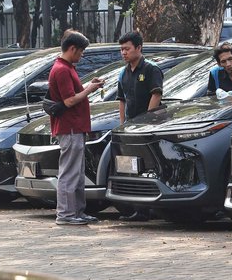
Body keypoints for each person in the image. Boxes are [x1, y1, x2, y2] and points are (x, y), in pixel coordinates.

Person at [48, 30, 105, 226]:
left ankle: (77, 211)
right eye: (81, 52)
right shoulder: (62, 69)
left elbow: (73, 94)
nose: (81, 56)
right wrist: (89, 89)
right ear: (72, 49)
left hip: (75, 126)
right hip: (69, 126)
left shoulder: (66, 67)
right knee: (70, 172)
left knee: (77, 173)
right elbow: (70, 100)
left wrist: (88, 86)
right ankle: (65, 213)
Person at [116, 30, 164, 222]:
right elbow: (122, 100)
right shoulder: (123, 72)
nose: (124, 53)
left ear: (139, 48)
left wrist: (147, 120)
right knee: (132, 168)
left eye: (127, 49)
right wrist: (122, 125)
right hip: (130, 128)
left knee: (149, 167)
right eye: (121, 50)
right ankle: (138, 210)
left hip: (148, 127)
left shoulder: (151, 69)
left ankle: (152, 209)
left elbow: (156, 94)